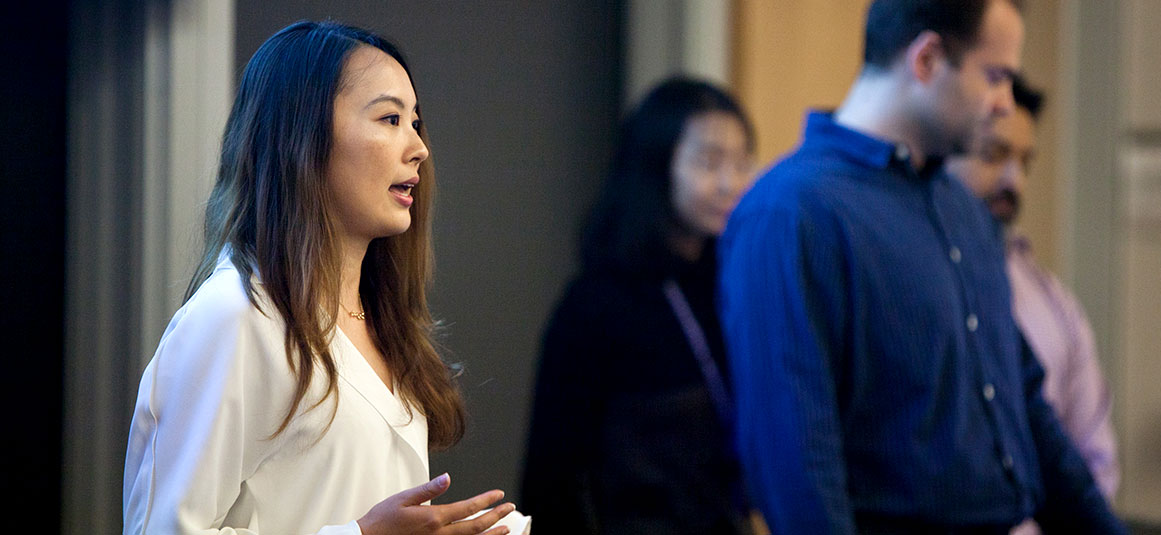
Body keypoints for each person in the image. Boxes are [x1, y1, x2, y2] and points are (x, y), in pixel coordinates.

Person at [717, 1, 1126, 533]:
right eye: (996, 76)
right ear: (927, 59)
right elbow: (796, 463)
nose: (1006, 103)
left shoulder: (960, 209)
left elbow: (1024, 403)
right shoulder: (793, 212)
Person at [122, 21, 521, 535]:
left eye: (415, 123)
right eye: (390, 118)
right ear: (302, 136)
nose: (418, 147)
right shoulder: (234, 317)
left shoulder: (380, 320)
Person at [521, 78, 757, 534]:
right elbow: (552, 480)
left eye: (742, 160)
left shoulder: (733, 283)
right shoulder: (596, 304)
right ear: (656, 165)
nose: (731, 182)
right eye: (710, 161)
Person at [945, 75, 1119, 501]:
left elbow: (1095, 459)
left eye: (1025, 162)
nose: (1015, 182)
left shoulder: (1052, 302)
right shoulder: (904, 283)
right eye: (993, 155)